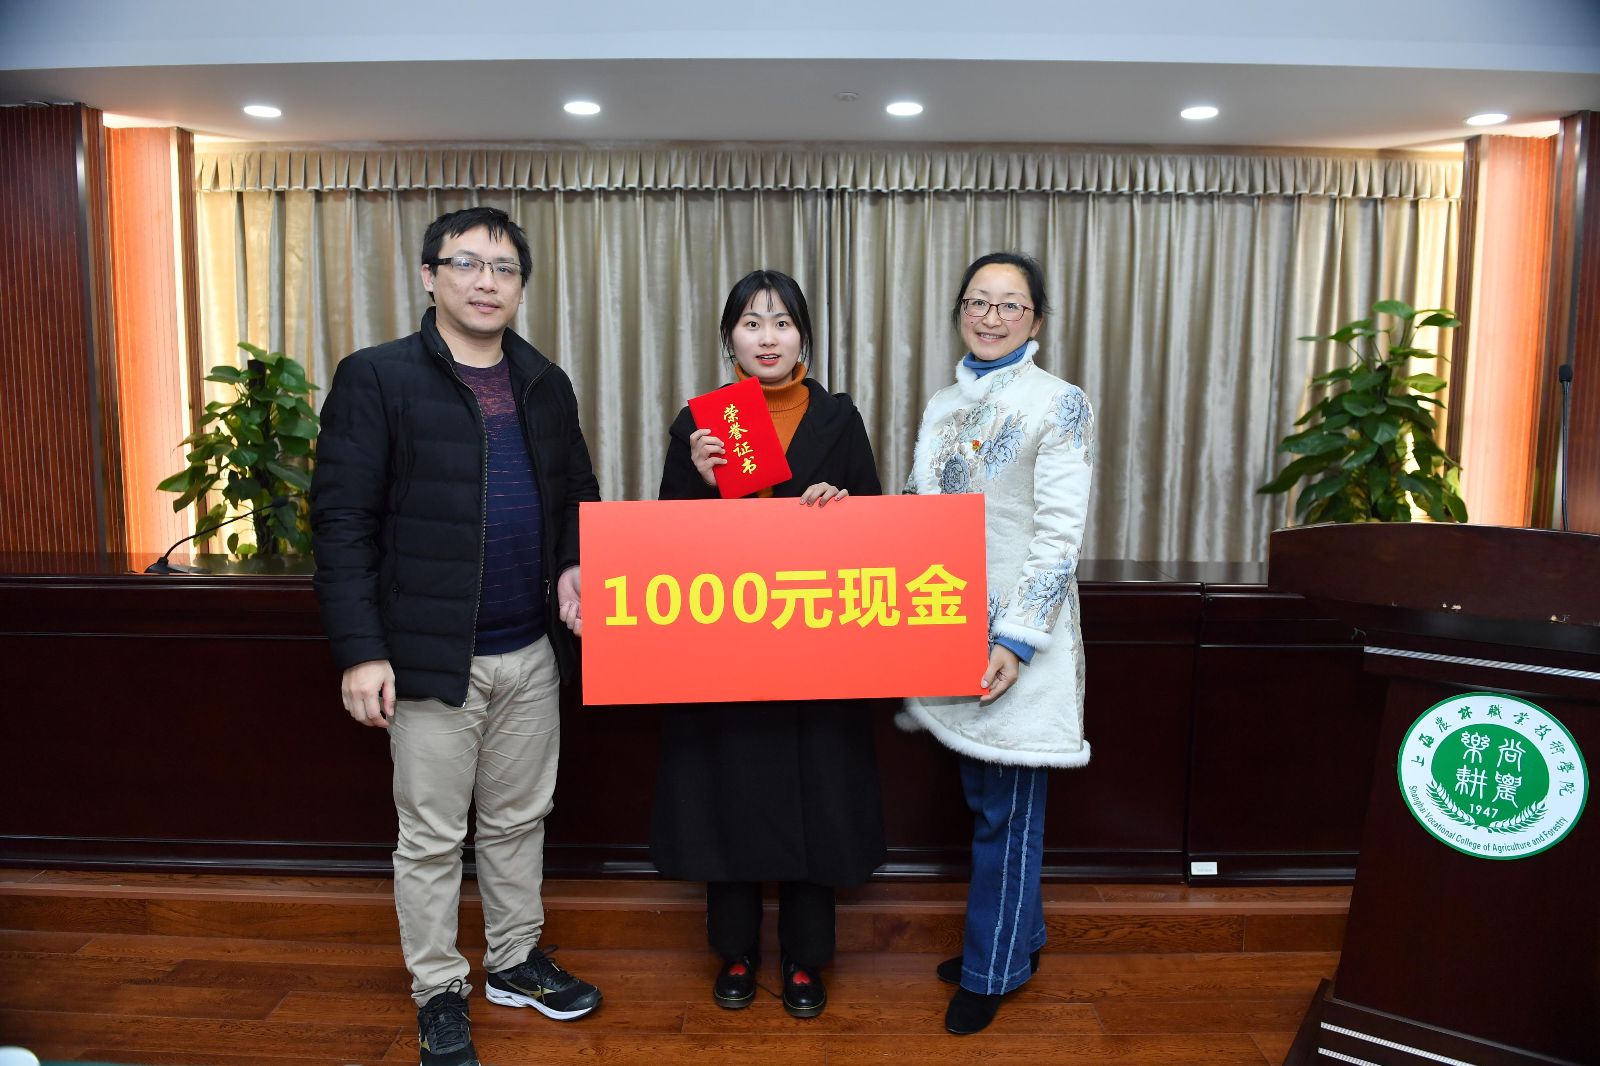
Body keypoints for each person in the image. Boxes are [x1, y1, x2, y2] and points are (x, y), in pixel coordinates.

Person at [311, 206, 603, 1066]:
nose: (486, 281)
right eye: (467, 263)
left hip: (531, 651)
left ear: (521, 288)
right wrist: (362, 650)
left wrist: (574, 564)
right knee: (432, 838)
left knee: (518, 821)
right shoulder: (378, 377)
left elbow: (577, 495)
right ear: (430, 276)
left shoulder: (544, 381)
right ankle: (439, 989)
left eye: (504, 269)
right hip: (430, 657)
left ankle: (513, 960)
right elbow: (341, 522)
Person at [651, 269, 886, 1019]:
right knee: (731, 798)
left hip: (817, 654)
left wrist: (841, 509)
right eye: (751, 323)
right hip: (728, 653)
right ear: (730, 339)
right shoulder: (702, 422)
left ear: (803, 336)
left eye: (782, 322)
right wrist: (699, 478)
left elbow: (880, 534)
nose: (767, 337)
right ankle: (736, 950)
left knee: (818, 798)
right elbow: (665, 546)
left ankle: (807, 959)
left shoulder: (838, 418)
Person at [898, 251, 1095, 1036]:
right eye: (978, 302)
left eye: (1010, 305)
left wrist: (1017, 639)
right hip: (947, 623)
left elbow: (1059, 533)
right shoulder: (944, 400)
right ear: (960, 311)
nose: (991, 317)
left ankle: (994, 969)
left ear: (1036, 319)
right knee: (985, 798)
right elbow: (918, 509)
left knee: (1008, 811)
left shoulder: (1060, 402)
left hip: (1018, 640)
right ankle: (1016, 938)